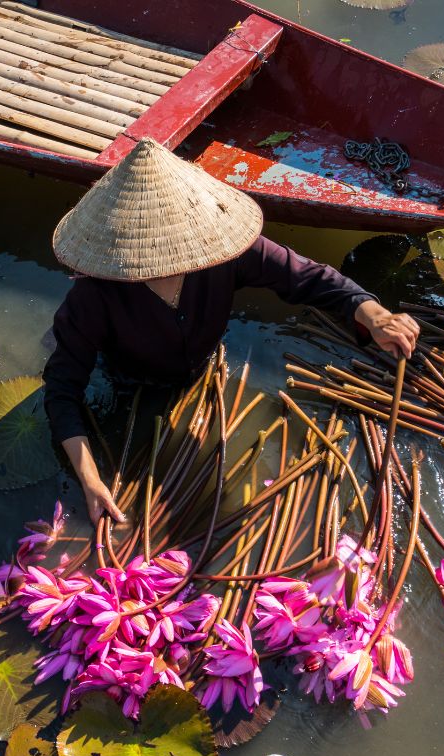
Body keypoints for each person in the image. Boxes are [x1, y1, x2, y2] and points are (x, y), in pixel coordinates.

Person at [43, 139, 419, 527]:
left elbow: (308, 276)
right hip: (129, 379)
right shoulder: (94, 295)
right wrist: (90, 479)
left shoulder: (222, 251)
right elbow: (61, 390)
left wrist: (373, 314)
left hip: (201, 364)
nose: (166, 262)